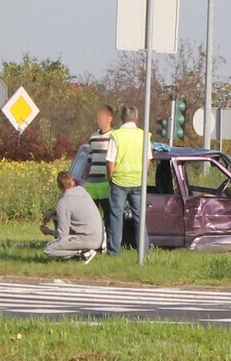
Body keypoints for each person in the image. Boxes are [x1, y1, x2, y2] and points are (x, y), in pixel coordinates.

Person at [105, 105, 151, 257]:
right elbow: (149, 159)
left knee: (116, 218)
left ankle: (114, 252)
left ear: (121, 119)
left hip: (119, 182)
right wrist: (142, 174)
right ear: (136, 118)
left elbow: (110, 160)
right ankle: (143, 252)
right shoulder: (144, 136)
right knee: (140, 218)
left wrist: (110, 177)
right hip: (138, 181)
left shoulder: (116, 135)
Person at [41, 171, 103, 263]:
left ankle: (83, 253)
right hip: (100, 237)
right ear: (73, 182)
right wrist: (53, 213)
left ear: (59, 187)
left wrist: (49, 232)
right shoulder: (83, 192)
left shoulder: (63, 203)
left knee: (48, 249)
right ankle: (86, 251)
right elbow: (76, 209)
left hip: (86, 239)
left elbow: (62, 235)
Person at [85, 105, 114, 231]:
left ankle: (107, 239)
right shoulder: (93, 137)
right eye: (97, 118)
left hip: (105, 182)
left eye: (101, 117)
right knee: (91, 214)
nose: (98, 120)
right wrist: (86, 178)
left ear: (109, 118)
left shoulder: (114, 137)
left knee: (107, 213)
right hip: (92, 182)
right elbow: (89, 160)